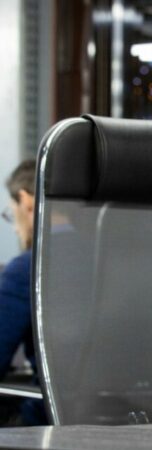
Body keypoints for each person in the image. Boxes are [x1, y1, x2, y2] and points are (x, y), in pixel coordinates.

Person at [0, 159, 46, 426]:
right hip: (135, 421)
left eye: (10, 213)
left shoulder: (29, 268)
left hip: (48, 426)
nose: (15, 227)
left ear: (26, 201)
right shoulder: (109, 258)